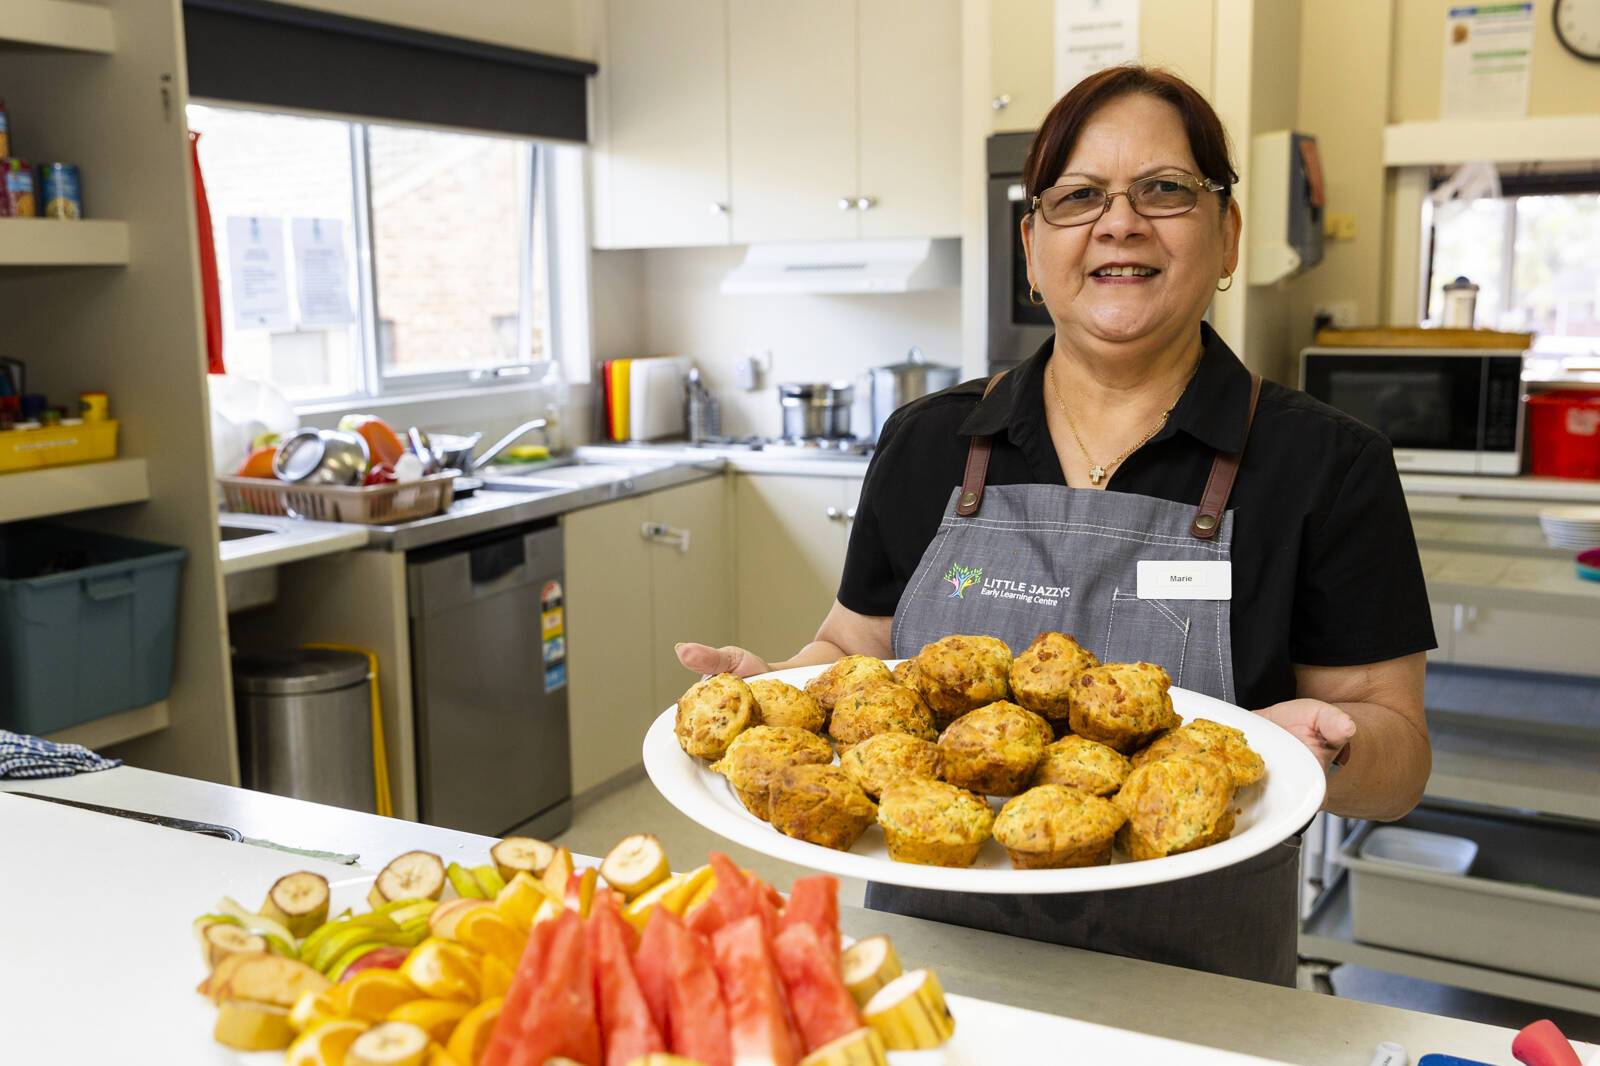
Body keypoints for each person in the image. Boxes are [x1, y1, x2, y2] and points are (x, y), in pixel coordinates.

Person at [675, 66, 1434, 986]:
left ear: (1227, 235)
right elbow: (854, 644)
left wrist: (1325, 748)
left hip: (1198, 979)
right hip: (934, 963)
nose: (1120, 222)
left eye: (1165, 190)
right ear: (1032, 249)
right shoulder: (927, 442)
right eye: (1078, 197)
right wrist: (772, 693)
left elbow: (1399, 764)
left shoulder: (1327, 464)